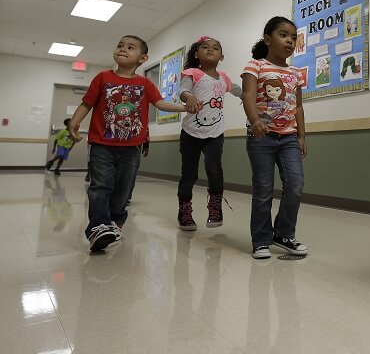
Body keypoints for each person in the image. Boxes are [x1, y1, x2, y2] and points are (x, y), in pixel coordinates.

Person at [69, 35, 193, 252]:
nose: (123, 49)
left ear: (142, 58)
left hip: (131, 148)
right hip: (101, 145)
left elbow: (161, 103)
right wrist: (74, 122)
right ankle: (97, 226)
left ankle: (115, 221)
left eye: (130, 47)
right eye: (120, 45)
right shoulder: (102, 78)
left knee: (123, 191)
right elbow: (86, 103)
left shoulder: (145, 84)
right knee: (100, 186)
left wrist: (184, 108)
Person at [241, 17, 308, 260]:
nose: (289, 40)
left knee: (295, 185)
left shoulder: (295, 73)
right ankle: (261, 239)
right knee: (263, 189)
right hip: (261, 137)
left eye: (293, 36)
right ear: (268, 39)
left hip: (289, 138)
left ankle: (284, 234)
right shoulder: (255, 66)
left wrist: (301, 135)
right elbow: (248, 95)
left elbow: (298, 107)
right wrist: (255, 120)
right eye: (283, 35)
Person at [177, 36, 242, 231]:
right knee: (189, 174)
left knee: (214, 169)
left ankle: (215, 206)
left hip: (215, 132)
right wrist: (189, 97)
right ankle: (184, 210)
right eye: (205, 47)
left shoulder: (224, 78)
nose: (211, 50)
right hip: (191, 132)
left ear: (221, 56)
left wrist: (256, 94)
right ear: (197, 53)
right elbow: (183, 90)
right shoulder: (192, 73)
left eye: (215, 48)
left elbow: (242, 91)